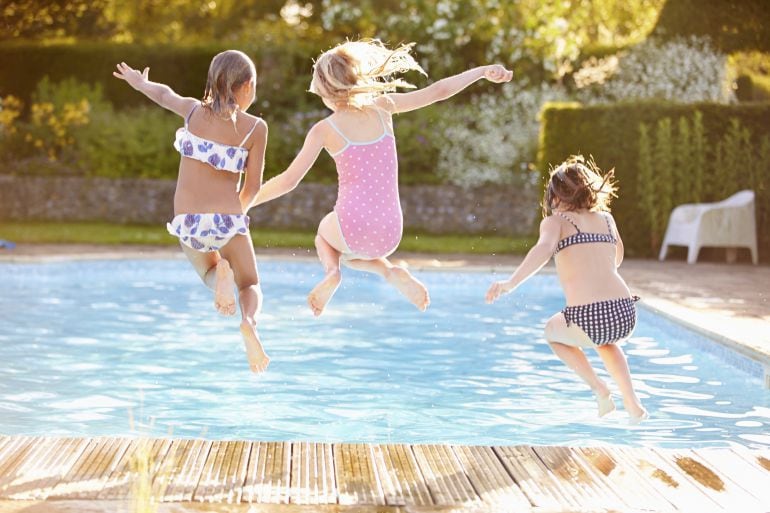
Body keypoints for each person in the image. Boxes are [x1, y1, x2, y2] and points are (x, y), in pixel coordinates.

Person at [249, 39, 512, 316]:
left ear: (326, 92)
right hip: (391, 232)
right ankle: (389, 271)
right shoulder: (383, 108)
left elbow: (289, 181)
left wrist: (245, 201)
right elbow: (439, 91)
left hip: (351, 226)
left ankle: (332, 273)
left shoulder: (323, 130)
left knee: (325, 241)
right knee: (356, 253)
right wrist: (482, 71)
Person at [113, 50, 270, 373]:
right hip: (227, 219)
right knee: (250, 285)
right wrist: (232, 220)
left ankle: (220, 275)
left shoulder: (193, 112)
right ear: (248, 86)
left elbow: (163, 94)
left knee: (209, 273)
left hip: (187, 223)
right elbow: (252, 187)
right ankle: (249, 322)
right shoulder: (256, 128)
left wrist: (140, 82)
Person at [485, 156, 648, 424]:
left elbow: (542, 250)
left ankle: (600, 389)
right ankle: (633, 404)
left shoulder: (555, 222)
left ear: (555, 195)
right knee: (607, 343)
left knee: (552, 333)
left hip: (589, 316)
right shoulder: (607, 219)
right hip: (624, 313)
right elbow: (616, 258)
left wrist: (510, 283)